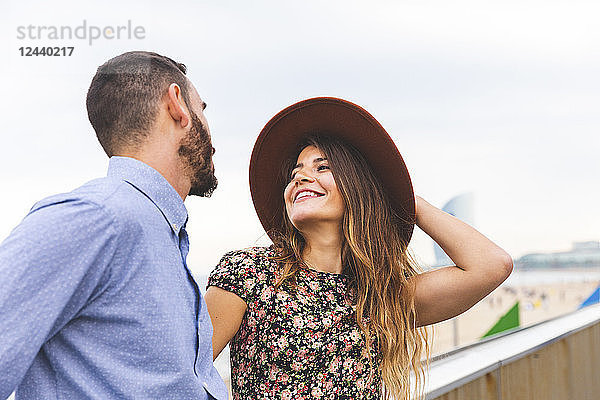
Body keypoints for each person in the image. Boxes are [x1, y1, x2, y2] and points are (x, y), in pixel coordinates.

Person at [205, 97, 513, 400]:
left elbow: (492, 265)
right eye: (294, 172)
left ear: (357, 186)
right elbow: (183, 375)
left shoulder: (382, 297)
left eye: (322, 167)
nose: (300, 176)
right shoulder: (248, 273)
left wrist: (403, 198)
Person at [0, 51, 228, 400]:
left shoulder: (159, 233)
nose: (210, 129)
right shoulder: (95, 218)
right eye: (203, 109)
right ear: (177, 104)